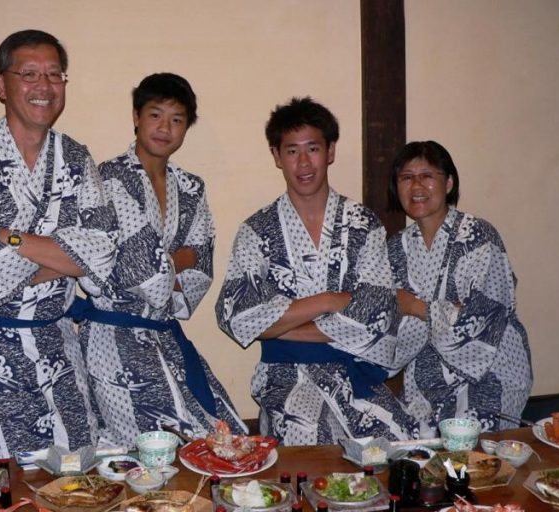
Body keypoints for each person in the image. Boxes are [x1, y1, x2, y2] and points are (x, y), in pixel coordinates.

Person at [0, 30, 117, 462]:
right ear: (1, 85)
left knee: (77, 463)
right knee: (7, 470)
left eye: (54, 74)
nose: (43, 86)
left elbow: (103, 258)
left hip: (56, 332)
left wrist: (11, 239)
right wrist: (63, 258)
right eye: (28, 73)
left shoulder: (76, 158)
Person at [215, 97, 418, 445]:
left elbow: (376, 314)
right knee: (306, 433)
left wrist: (280, 322)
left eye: (313, 148)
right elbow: (239, 317)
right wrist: (328, 301)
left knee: (400, 444)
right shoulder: (257, 229)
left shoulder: (362, 224)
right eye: (292, 151)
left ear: (331, 151)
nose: (304, 162)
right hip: (285, 376)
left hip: (354, 372)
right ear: (277, 156)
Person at [75, 72, 246, 447]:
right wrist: (175, 259)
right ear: (136, 116)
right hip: (112, 338)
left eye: (177, 119)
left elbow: (200, 265)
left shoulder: (191, 187)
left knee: (223, 432)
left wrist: (167, 262)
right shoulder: (105, 178)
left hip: (165, 334)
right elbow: (134, 270)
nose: (165, 128)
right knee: (155, 444)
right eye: (155, 115)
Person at [386, 140, 532, 432]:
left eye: (427, 175)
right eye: (406, 177)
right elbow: (390, 320)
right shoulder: (395, 248)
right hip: (426, 374)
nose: (416, 185)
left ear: (449, 182)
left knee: (473, 455)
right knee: (411, 451)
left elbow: (483, 317)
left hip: (491, 368)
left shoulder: (478, 236)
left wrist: (415, 307)